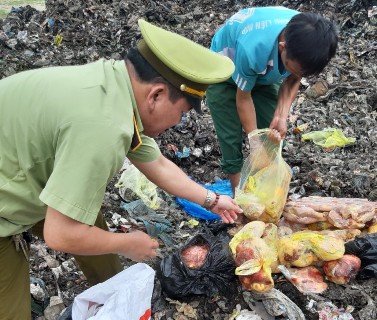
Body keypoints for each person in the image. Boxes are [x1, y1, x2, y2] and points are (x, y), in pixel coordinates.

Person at [0, 19, 243, 319]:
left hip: (22, 169)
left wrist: (213, 200)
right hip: (6, 203)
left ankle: (113, 292)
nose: (177, 124)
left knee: (88, 216)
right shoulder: (103, 127)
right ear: (156, 95)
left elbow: (156, 162)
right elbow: (59, 234)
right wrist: (128, 243)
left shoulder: (115, 85)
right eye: (180, 113)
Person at [206, 6, 338, 194]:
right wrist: (254, 141)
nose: (295, 74)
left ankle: (264, 197)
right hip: (224, 74)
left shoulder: (306, 39)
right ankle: (241, 205)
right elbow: (243, 99)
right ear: (282, 47)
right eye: (290, 67)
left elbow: (294, 78)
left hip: (262, 74)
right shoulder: (253, 48)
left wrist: (282, 115)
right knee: (231, 141)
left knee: (271, 140)